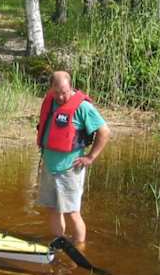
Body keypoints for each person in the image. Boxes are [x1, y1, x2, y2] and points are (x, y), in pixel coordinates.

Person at [35, 71, 111, 245]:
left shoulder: (83, 107)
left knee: (72, 213)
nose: (60, 97)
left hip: (70, 169)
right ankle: (59, 244)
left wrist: (90, 157)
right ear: (51, 89)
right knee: (53, 209)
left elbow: (105, 132)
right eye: (56, 92)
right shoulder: (50, 101)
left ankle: (80, 248)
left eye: (64, 92)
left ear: (71, 87)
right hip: (49, 166)